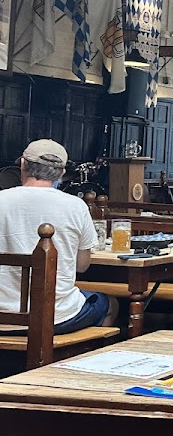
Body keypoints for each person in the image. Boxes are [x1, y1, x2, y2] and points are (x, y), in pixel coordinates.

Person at [0, 140, 118, 333]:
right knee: (110, 304)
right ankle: (78, 351)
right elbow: (82, 266)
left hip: (2, 317)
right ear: (61, 172)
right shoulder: (76, 206)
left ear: (22, 164)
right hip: (56, 318)